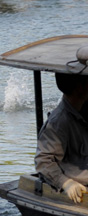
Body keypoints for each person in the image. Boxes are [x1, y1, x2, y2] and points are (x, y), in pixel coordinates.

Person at [35, 72, 88, 204]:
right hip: (81, 189)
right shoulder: (59, 122)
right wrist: (66, 183)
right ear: (80, 88)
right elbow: (44, 161)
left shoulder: (83, 107)